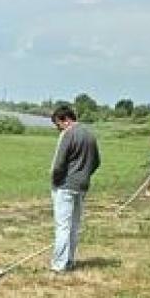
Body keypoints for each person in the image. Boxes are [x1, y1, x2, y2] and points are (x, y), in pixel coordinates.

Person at [49, 104, 100, 274]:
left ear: (66, 120)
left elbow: (59, 164)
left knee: (62, 226)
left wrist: (55, 181)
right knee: (74, 225)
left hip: (65, 186)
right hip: (82, 186)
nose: (58, 129)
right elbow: (96, 162)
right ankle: (69, 260)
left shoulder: (68, 134)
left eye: (58, 124)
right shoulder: (90, 135)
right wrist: (85, 174)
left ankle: (59, 265)